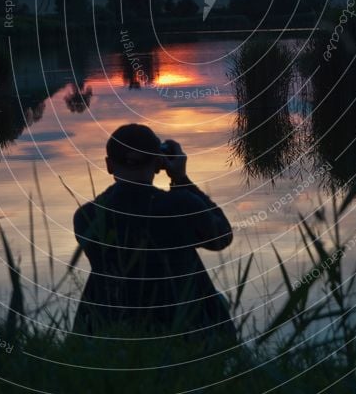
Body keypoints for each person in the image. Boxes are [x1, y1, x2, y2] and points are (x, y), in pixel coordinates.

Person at [73, 123, 235, 345]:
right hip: (182, 326)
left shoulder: (86, 216)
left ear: (109, 165)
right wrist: (181, 179)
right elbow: (221, 237)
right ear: (159, 163)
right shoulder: (181, 204)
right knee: (218, 300)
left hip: (110, 325)